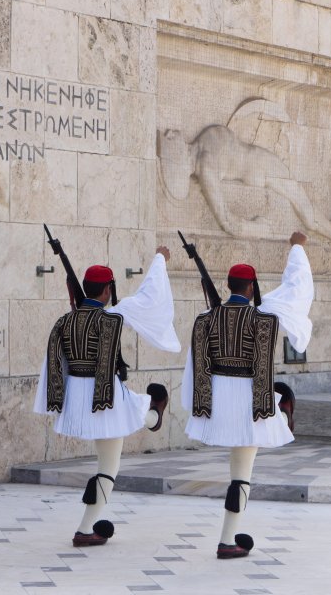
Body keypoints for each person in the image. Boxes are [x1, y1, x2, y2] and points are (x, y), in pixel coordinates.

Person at [34, 246, 181, 547]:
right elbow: (148, 297)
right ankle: (86, 528)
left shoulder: (64, 322)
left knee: (109, 456)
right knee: (108, 467)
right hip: (105, 398)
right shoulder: (113, 317)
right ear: (107, 290)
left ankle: (152, 412)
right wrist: (159, 259)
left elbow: (53, 366)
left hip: (75, 399)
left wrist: (58, 403)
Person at [181, 231, 313, 559]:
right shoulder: (264, 319)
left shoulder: (204, 319)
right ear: (251, 287)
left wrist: (199, 406)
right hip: (248, 405)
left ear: (228, 286)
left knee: (237, 473)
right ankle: (227, 540)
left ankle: (230, 536)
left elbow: (197, 366)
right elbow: (263, 369)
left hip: (216, 402)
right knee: (241, 475)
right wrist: (267, 411)